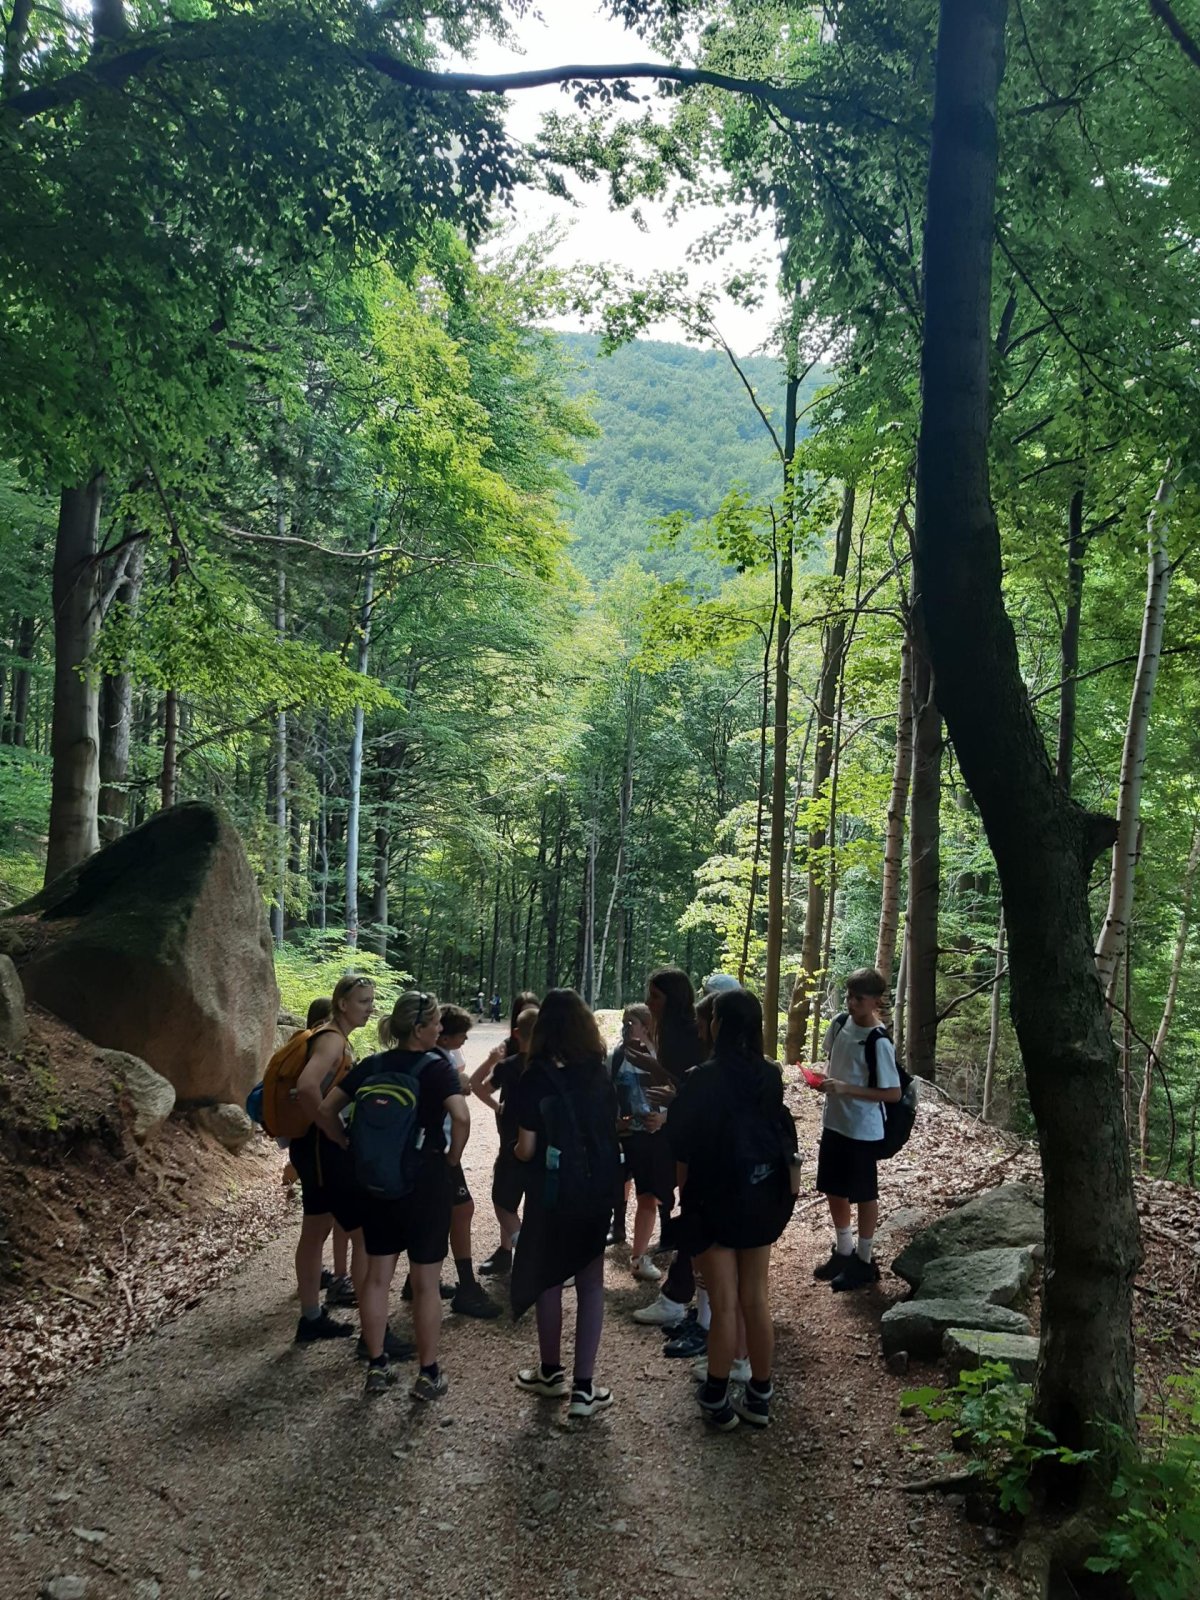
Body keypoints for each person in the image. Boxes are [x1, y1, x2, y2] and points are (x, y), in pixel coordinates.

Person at [314, 991, 469, 1400]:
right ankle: (428, 1374)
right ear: (418, 1029)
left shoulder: (373, 1065)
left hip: (377, 1182)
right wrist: (451, 1159)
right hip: (425, 1182)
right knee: (426, 1282)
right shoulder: (436, 1068)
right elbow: (461, 1116)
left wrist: (346, 1142)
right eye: (435, 1022)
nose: (440, 1028)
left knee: (378, 1278)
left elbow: (326, 1110)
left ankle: (377, 1367)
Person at [668, 988, 798, 1429]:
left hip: (712, 1200)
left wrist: (684, 1198)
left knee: (723, 1302)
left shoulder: (702, 1078)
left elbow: (681, 1144)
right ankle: (760, 1394)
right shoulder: (770, 1075)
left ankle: (717, 1395)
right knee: (755, 1297)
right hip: (761, 1197)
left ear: (720, 1024)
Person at [511, 989, 620, 1419]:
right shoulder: (598, 1073)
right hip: (595, 1191)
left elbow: (525, 1149)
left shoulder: (533, 1077)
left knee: (549, 1279)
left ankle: (550, 1372)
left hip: (550, 1194)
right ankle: (584, 1389)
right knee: (591, 1284)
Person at [288, 975, 376, 1345]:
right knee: (364, 1235)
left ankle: (311, 1318)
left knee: (315, 1230)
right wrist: (333, 1130)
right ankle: (374, 1333)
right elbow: (307, 1086)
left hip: (311, 1147)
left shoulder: (330, 1036)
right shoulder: (333, 1039)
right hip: (322, 1149)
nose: (370, 1008)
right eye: (363, 1001)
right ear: (342, 1004)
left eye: (371, 1000)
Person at [809, 967, 902, 1292]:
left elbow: (893, 1093)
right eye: (849, 996)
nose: (851, 1003)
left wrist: (847, 1088)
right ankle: (844, 1250)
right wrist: (824, 1081)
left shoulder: (878, 1041)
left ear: (876, 1001)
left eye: (858, 999)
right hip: (834, 1122)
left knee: (864, 1193)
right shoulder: (839, 1024)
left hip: (863, 1129)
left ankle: (864, 1260)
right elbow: (833, 1063)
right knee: (833, 1187)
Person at [626, 968, 704, 1329]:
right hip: (681, 1131)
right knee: (690, 1213)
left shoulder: (685, 1033)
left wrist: (658, 1076)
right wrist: (651, 1066)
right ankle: (694, 1300)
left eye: (655, 996)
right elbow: (679, 1082)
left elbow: (693, 1087)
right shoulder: (668, 1030)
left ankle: (682, 1298)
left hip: (693, 1136)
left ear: (673, 998)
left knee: (694, 1213)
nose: (648, 1002)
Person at [437, 1003, 500, 1319]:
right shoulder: (440, 1062)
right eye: (462, 1034)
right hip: (443, 1151)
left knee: (441, 1212)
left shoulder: (431, 1057)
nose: (465, 1040)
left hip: (434, 1149)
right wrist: (454, 1154)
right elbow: (461, 1108)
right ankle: (466, 1288)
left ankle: (419, 1280)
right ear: (444, 1036)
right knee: (461, 1210)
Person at [470, 1002, 539, 1275]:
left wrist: (496, 1106)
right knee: (535, 1204)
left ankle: (523, 1248)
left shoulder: (508, 1066)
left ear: (516, 1033)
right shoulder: (553, 1066)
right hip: (542, 1147)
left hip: (512, 1144)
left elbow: (477, 1086)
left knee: (502, 1201)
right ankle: (528, 1252)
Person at [610, 1002, 670, 1279]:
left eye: (631, 1022)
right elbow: (605, 1093)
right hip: (622, 1137)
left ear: (647, 1027)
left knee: (648, 1196)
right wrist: (614, 1121)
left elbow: (679, 1094)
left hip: (652, 1137)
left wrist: (663, 1119)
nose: (626, 1027)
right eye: (624, 1022)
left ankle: (638, 1258)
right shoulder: (615, 1057)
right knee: (610, 1191)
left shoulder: (663, 1057)